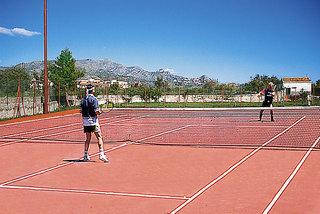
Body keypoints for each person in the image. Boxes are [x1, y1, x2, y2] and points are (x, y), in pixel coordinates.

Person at [80, 84, 109, 162]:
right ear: (92, 90)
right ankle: (101, 154)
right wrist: (100, 112)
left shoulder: (83, 100)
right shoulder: (94, 99)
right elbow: (96, 111)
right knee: (99, 137)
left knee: (88, 139)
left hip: (85, 122)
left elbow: (80, 111)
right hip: (93, 122)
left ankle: (85, 155)